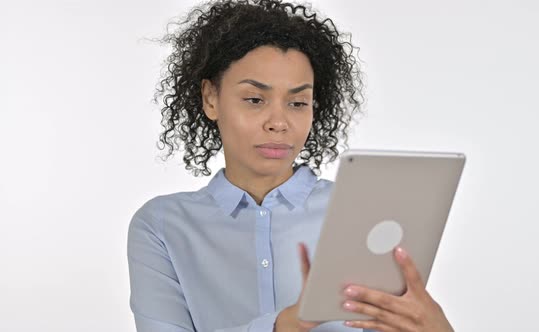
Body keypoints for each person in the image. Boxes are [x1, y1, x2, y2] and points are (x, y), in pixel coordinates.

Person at [127, 0, 454, 331]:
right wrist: (285, 324)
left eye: (298, 103)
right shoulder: (163, 226)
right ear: (211, 98)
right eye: (255, 100)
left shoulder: (365, 213)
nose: (279, 123)